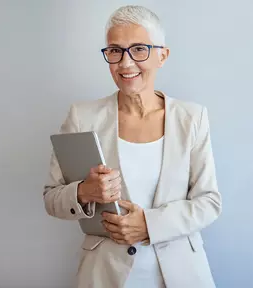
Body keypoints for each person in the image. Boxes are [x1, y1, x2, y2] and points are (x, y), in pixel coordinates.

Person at [43, 5, 222, 288]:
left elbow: (209, 202)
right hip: (104, 275)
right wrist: (84, 191)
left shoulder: (192, 117)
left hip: (181, 275)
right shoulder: (82, 117)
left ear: (162, 55)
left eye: (139, 49)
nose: (126, 63)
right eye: (115, 51)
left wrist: (149, 225)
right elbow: (52, 199)